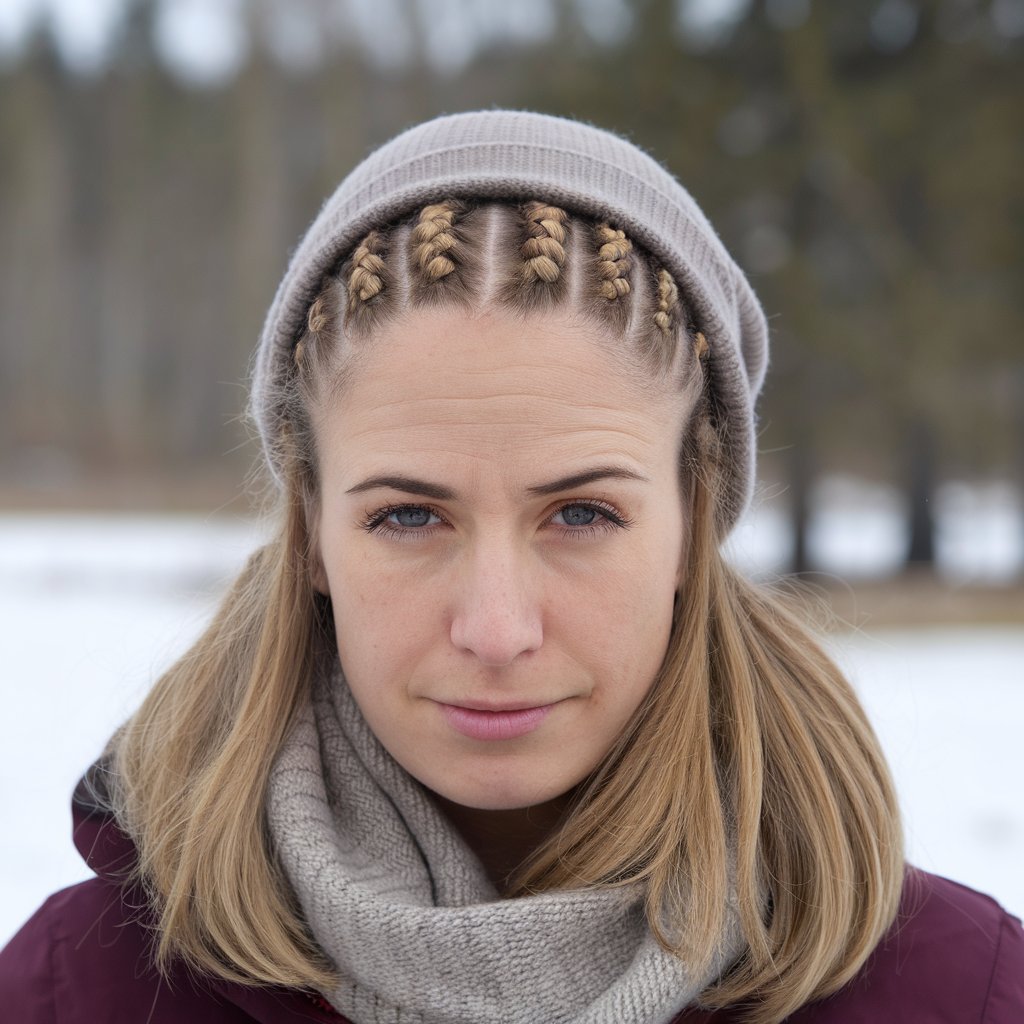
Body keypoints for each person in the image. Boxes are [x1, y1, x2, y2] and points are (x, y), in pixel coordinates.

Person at [1, 110, 1021, 1024]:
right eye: (408, 515)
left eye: (580, 512)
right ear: (310, 534)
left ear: (692, 521)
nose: (495, 630)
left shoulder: (952, 991)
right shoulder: (78, 989)